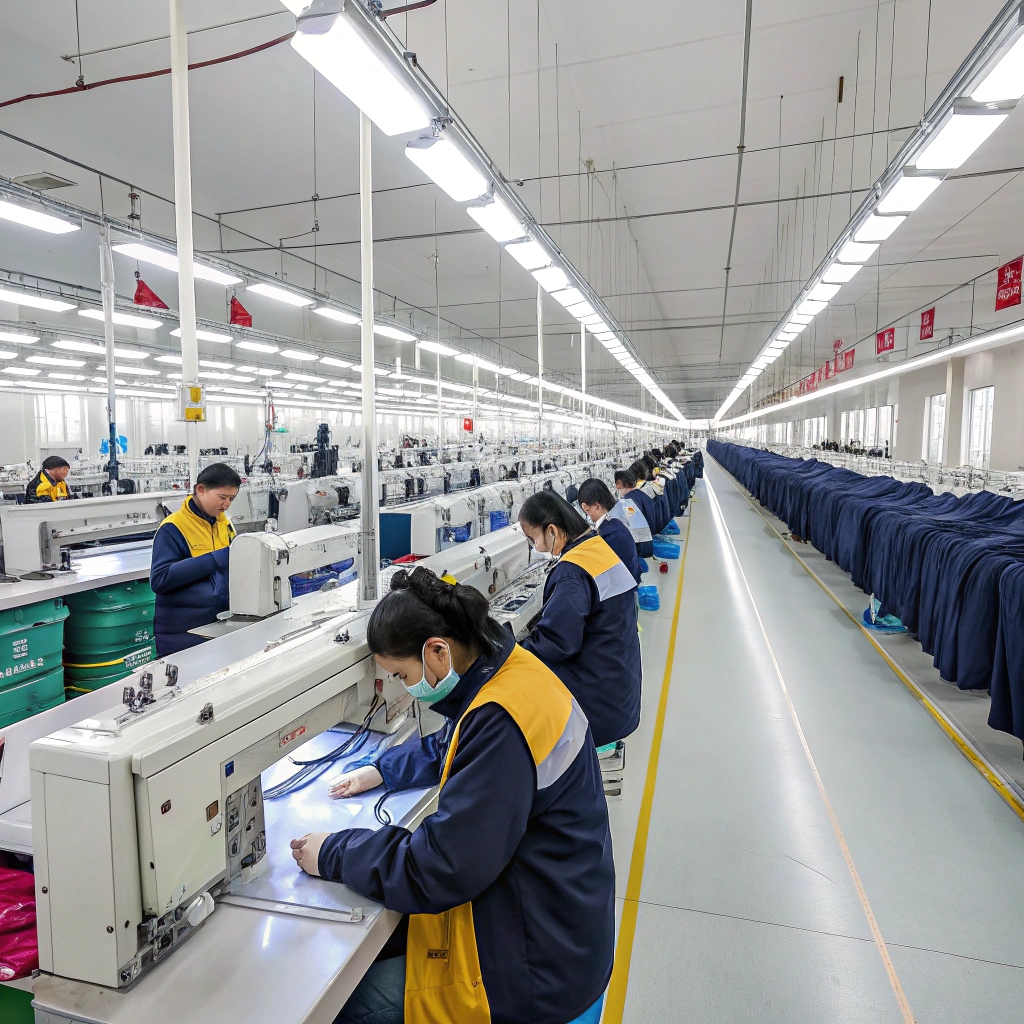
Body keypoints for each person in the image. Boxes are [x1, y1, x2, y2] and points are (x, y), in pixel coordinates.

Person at [291, 567, 614, 1024]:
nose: (406, 689)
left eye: (402, 675)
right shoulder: (511, 672)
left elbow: (439, 867)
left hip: (536, 965)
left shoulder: (502, 720)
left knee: (340, 1004)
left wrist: (335, 851)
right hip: (559, 914)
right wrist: (382, 770)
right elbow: (456, 743)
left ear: (437, 651)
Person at [518, 490, 641, 747]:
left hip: (597, 705)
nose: (537, 548)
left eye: (534, 539)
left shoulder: (571, 572)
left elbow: (557, 643)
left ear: (552, 530)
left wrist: (511, 650)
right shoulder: (597, 547)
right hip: (621, 691)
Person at [150, 463, 240, 657]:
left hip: (217, 627)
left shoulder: (225, 524)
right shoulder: (173, 528)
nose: (226, 505)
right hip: (183, 634)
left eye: (231, 499)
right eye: (222, 497)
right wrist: (216, 558)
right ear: (201, 489)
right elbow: (160, 579)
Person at [577, 477, 643, 582]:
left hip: (624, 591)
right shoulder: (616, 523)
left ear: (594, 506)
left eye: (586, 509)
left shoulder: (607, 536)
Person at [614, 469, 656, 557]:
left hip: (639, 549)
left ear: (619, 483)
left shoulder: (628, 502)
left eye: (616, 484)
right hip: (649, 539)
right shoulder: (642, 495)